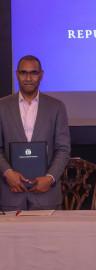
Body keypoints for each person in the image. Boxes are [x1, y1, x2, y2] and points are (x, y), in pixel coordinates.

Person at [0, 55, 71, 211]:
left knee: (48, 236)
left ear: (41, 75)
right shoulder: (2, 106)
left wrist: (50, 178)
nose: (28, 78)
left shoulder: (56, 106)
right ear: (16, 74)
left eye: (33, 72)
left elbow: (63, 149)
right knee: (10, 237)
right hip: (10, 193)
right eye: (24, 72)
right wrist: (7, 173)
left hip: (47, 195)